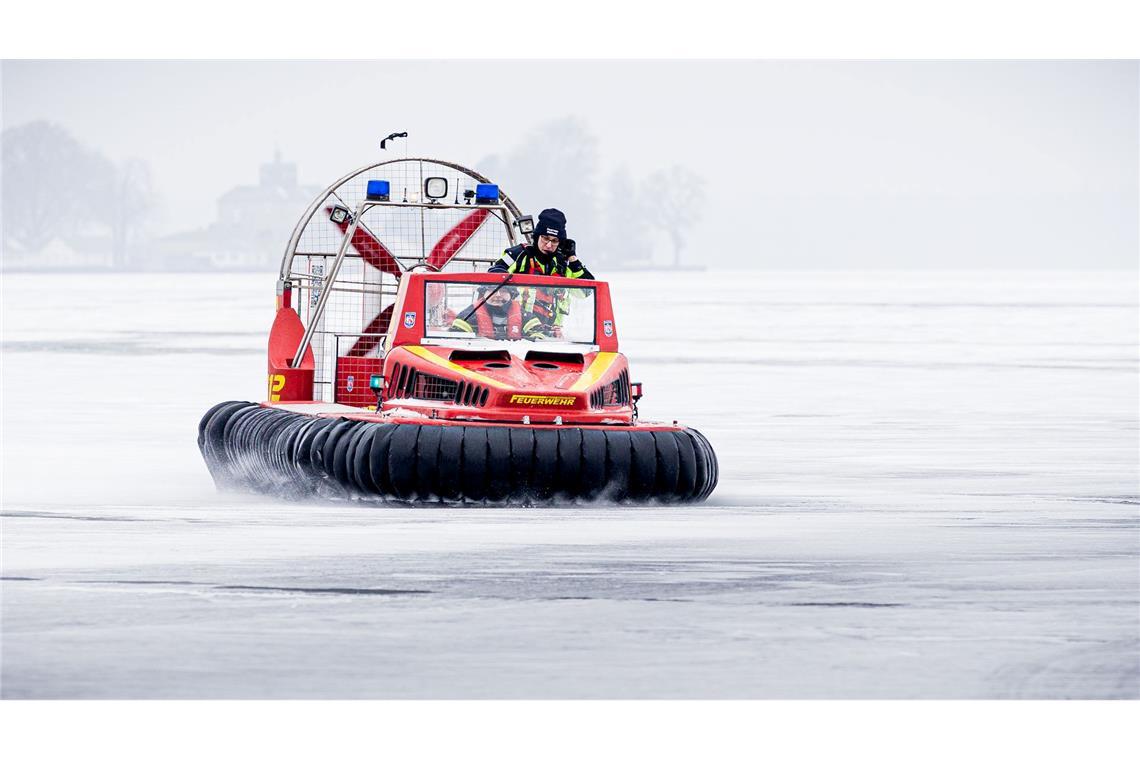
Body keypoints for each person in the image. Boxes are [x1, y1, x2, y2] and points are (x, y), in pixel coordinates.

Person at [488, 208, 594, 280]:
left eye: (554, 241)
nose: (548, 245)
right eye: (545, 238)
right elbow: (493, 276)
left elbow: (585, 292)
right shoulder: (516, 255)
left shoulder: (563, 264)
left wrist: (572, 258)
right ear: (537, 236)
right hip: (517, 314)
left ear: (560, 243)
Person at [449, 285, 526, 339]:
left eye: (503, 291)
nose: (498, 295)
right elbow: (455, 340)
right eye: (492, 290)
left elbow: (537, 336)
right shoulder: (467, 316)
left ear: (512, 295)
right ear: (484, 294)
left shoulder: (525, 316)